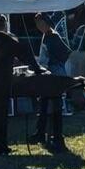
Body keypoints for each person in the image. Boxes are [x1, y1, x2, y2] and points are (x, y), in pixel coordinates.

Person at [0, 14, 42, 156]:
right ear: (4, 24)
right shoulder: (8, 39)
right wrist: (37, 69)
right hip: (1, 82)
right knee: (1, 115)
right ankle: (1, 147)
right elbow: (25, 55)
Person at [30, 13, 72, 153]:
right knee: (43, 103)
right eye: (37, 24)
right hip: (47, 73)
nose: (39, 26)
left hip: (55, 73)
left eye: (41, 23)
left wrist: (50, 65)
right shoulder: (46, 36)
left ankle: (56, 136)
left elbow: (64, 53)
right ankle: (41, 133)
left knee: (54, 105)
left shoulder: (53, 37)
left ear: (47, 22)